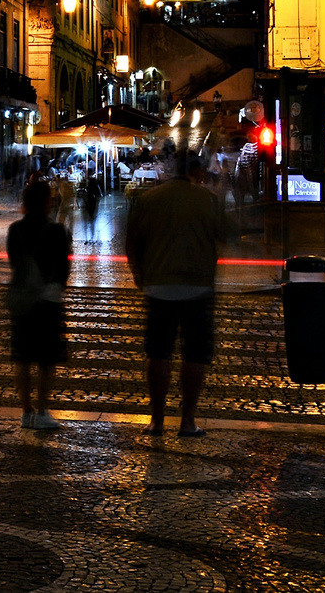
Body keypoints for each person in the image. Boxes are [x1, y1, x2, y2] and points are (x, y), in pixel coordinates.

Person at [124, 152, 233, 438]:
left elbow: (132, 240)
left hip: (158, 286)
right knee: (194, 354)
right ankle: (187, 421)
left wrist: (139, 274)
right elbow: (226, 235)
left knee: (158, 353)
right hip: (198, 287)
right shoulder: (207, 200)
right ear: (196, 171)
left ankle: (157, 420)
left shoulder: (149, 199)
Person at [5, 179, 72, 431]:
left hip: (22, 300)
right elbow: (64, 269)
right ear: (47, 202)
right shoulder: (56, 231)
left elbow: (14, 262)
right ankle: (43, 411)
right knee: (46, 359)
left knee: (22, 358)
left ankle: (26, 412)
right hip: (49, 300)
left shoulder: (15, 229)